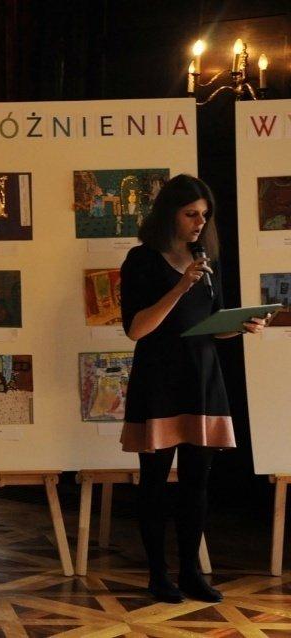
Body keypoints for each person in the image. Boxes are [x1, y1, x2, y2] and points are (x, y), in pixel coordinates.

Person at [119, 174, 268, 604]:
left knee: (197, 483)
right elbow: (136, 329)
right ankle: (157, 574)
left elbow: (210, 325)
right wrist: (180, 285)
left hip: (202, 379)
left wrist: (240, 326)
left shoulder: (206, 260)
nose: (200, 223)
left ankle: (190, 572)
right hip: (160, 380)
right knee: (154, 481)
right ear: (170, 213)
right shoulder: (142, 260)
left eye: (204, 215)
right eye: (191, 214)